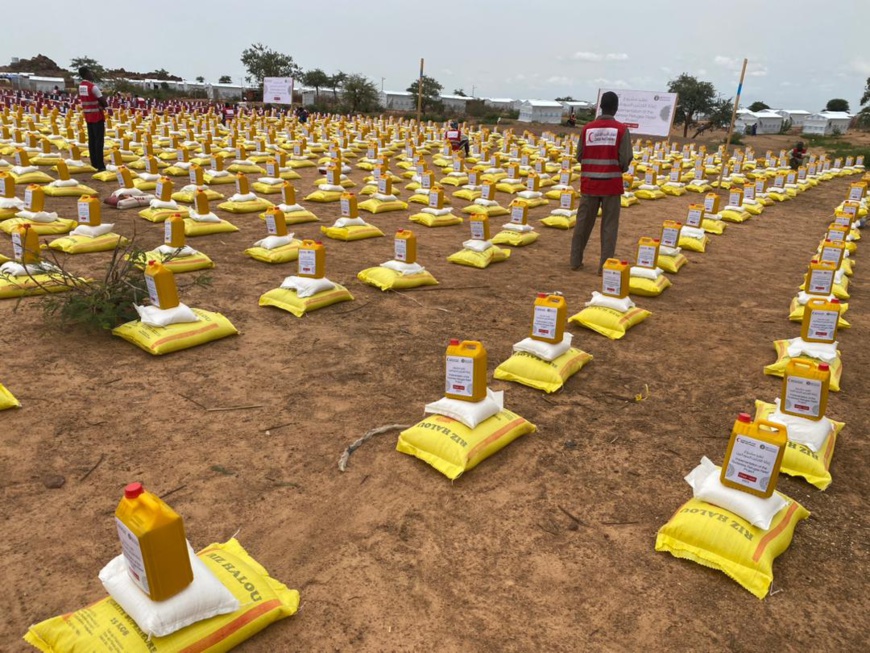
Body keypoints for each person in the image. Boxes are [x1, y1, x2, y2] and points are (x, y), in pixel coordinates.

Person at [570, 91, 632, 273]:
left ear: (601, 107)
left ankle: (575, 261)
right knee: (609, 227)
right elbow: (625, 159)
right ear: (616, 108)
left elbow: (579, 156)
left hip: (589, 185)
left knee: (582, 224)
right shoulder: (621, 130)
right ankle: (604, 267)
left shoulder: (587, 128)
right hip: (611, 186)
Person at [77, 67, 107, 171]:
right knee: (99, 141)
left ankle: (94, 163)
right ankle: (100, 165)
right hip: (97, 116)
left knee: (92, 140)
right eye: (90, 72)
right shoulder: (93, 87)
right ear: (86, 74)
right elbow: (103, 101)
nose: (92, 74)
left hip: (88, 116)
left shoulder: (81, 87)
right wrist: (104, 105)